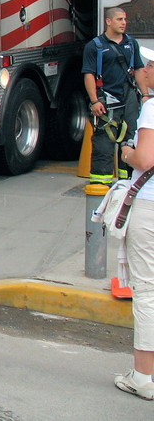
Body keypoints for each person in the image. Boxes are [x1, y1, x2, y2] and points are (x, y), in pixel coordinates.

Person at [114, 49, 154, 401]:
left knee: (147, 291)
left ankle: (143, 375)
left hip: (150, 207)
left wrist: (127, 152)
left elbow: (145, 158)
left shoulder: (151, 108)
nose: (144, 71)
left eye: (150, 67)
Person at [84, 7, 148, 184]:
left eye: (125, 19)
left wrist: (144, 95)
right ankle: (100, 186)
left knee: (130, 142)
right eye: (120, 19)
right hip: (106, 103)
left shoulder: (131, 44)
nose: (124, 23)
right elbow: (89, 74)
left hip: (129, 102)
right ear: (108, 21)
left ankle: (127, 183)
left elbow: (138, 70)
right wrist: (94, 101)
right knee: (103, 146)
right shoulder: (95, 46)